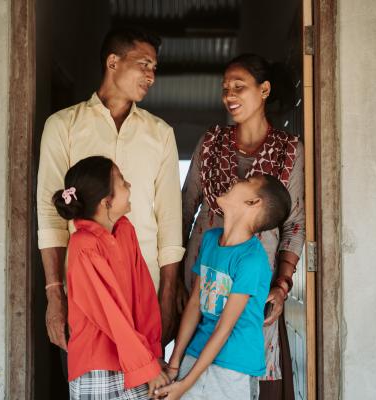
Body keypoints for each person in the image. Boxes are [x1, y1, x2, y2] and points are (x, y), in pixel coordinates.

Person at [37, 27, 186, 352]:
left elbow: (171, 219)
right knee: (90, 382)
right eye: (144, 64)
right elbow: (50, 217)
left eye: (155, 68)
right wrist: (54, 293)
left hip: (145, 291)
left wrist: (168, 294)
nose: (151, 76)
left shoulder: (160, 133)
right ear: (113, 62)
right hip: (83, 292)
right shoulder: (64, 126)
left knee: (145, 385)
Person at [180, 53, 305, 399]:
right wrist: (174, 277)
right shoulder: (211, 142)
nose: (229, 96)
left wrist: (281, 285)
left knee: (242, 365)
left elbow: (295, 225)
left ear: (264, 90)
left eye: (239, 87)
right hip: (203, 274)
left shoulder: (288, 150)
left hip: (255, 281)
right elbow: (185, 208)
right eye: (225, 89)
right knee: (196, 358)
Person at [156, 175, 293, 400]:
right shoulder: (210, 240)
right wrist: (174, 363)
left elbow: (224, 328)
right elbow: (194, 304)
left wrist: (184, 386)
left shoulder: (252, 259)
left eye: (247, 181)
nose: (236, 180)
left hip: (234, 366)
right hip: (197, 352)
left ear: (253, 203)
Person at [52, 156, 170, 399]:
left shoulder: (125, 230)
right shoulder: (83, 245)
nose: (129, 186)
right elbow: (110, 314)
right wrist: (146, 365)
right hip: (98, 367)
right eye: (122, 183)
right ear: (107, 202)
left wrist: (154, 353)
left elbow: (144, 298)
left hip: (137, 360)